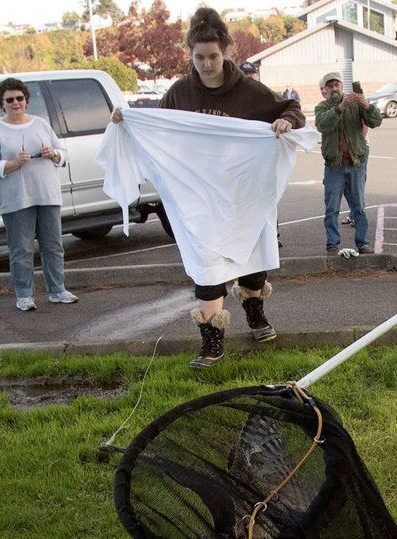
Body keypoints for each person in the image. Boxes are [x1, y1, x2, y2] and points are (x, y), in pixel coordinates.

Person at [110, 8, 305, 369]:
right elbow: (160, 125)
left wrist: (284, 120)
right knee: (206, 265)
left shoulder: (249, 91)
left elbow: (292, 108)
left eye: (213, 56)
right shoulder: (181, 92)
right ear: (190, 55)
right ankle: (212, 342)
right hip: (199, 199)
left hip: (243, 194)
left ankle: (255, 314)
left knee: (252, 263)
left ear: (227, 51)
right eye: (199, 57)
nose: (206, 64)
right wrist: (129, 120)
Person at [0, 77, 77, 312]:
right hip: (16, 199)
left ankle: (57, 290)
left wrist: (53, 154)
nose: (16, 103)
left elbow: (63, 153)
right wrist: (13, 163)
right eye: (10, 100)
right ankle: (24, 294)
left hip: (47, 195)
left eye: (20, 98)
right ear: (2, 104)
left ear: (26, 100)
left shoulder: (41, 124)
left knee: (53, 246)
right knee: (21, 249)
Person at [316, 72, 381, 255]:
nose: (334, 89)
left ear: (342, 86)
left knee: (358, 206)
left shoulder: (355, 104)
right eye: (330, 86)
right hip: (334, 166)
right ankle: (332, 244)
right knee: (332, 208)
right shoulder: (322, 107)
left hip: (356, 163)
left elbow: (375, 121)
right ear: (325, 90)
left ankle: (362, 242)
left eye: (337, 85)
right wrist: (340, 108)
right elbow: (322, 124)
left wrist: (366, 105)